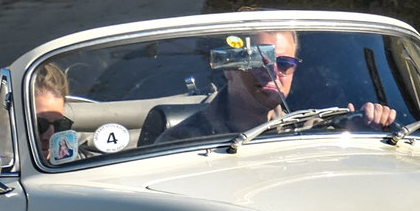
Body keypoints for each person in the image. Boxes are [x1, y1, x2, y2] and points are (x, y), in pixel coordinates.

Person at [156, 29, 395, 144]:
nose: (272, 72)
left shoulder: (313, 130)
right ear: (229, 68)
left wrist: (366, 131)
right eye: (259, 60)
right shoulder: (181, 141)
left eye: (285, 63)